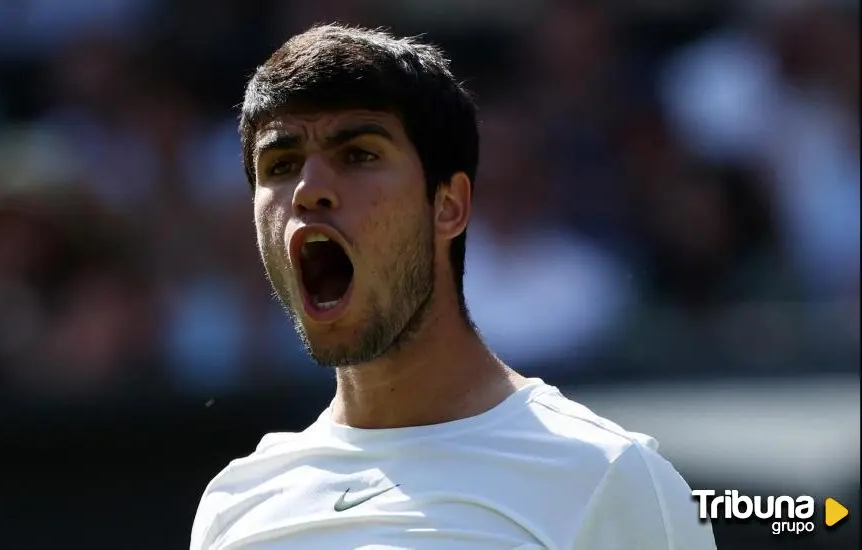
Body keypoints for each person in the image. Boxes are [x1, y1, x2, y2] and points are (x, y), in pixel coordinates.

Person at [191, 24, 717, 550]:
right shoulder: (236, 504)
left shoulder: (611, 479)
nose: (309, 191)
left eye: (358, 155)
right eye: (280, 165)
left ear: (449, 205)